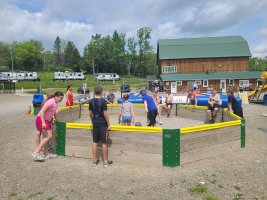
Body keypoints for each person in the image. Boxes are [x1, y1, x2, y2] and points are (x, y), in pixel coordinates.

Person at [32, 91, 64, 161]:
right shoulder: (50, 102)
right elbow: (42, 112)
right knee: (49, 136)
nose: (61, 100)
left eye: (62, 98)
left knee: (45, 137)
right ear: (56, 97)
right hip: (41, 119)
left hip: (46, 120)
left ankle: (46, 154)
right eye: (60, 98)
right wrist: (43, 123)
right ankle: (36, 153)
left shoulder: (56, 102)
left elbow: (54, 112)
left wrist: (56, 119)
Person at [89, 85, 112, 167]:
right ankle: (105, 162)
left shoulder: (91, 101)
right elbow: (105, 114)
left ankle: (94, 160)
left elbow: (90, 114)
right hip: (102, 123)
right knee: (104, 142)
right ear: (101, 92)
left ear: (94, 92)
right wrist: (109, 124)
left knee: (95, 141)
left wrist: (93, 122)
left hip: (95, 123)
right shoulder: (103, 101)